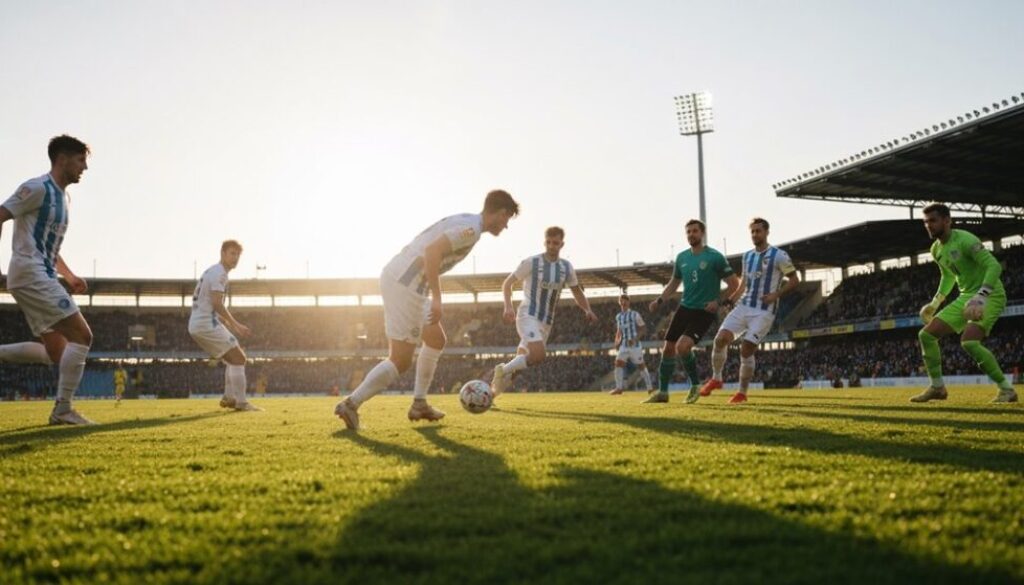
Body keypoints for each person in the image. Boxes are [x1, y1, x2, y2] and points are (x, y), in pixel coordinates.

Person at [335, 190, 520, 430]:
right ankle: (351, 403)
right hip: (407, 284)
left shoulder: (468, 220)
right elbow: (431, 252)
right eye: (507, 219)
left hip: (406, 280)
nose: (505, 226)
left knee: (435, 339)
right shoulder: (472, 230)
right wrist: (437, 299)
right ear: (501, 212)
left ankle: (419, 404)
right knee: (400, 360)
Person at [0, 135, 96, 425]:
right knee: (83, 336)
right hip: (30, 272)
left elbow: (48, 245)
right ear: (63, 159)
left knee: (59, 353)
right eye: (81, 160)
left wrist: (69, 275)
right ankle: (63, 410)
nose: (85, 168)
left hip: (39, 271)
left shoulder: (64, 198)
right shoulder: (37, 188)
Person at [912, 203, 1017, 404]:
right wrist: (936, 302)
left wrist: (981, 296)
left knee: (969, 342)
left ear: (947, 220)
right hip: (965, 296)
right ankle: (937, 387)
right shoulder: (936, 249)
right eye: (926, 222)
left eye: (933, 220)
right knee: (926, 335)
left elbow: (993, 266)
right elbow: (948, 276)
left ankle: (1007, 389)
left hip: (991, 294)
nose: (929, 225)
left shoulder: (966, 240)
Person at [700, 217, 799, 404]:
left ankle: (742, 393)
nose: (755, 234)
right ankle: (716, 378)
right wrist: (730, 300)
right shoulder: (747, 256)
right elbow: (744, 284)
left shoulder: (779, 255)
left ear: (767, 232)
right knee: (720, 339)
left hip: (764, 311)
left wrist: (775, 295)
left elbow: (794, 281)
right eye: (752, 231)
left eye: (758, 231)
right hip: (744, 306)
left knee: (746, 350)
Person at [491, 227, 597, 395]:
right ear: (544, 242)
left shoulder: (566, 267)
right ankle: (501, 370)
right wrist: (508, 306)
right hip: (528, 315)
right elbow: (507, 283)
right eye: (548, 242)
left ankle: (492, 394)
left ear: (562, 244)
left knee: (523, 363)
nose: (551, 246)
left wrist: (587, 310)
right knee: (539, 355)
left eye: (555, 243)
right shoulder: (532, 262)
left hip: (546, 321)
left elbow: (577, 291)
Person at [646, 219, 739, 404]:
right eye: (688, 232)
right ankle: (663, 393)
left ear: (702, 233)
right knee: (668, 348)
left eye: (695, 231)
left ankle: (695, 386)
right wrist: (659, 300)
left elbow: (734, 283)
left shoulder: (715, 257)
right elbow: (674, 282)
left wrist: (718, 302)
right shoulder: (682, 258)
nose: (691, 234)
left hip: (704, 311)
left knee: (682, 347)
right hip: (684, 307)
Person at [189, 240, 262, 411]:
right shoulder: (220, 274)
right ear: (222, 253)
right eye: (232, 253)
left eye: (237, 255)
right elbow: (216, 303)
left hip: (199, 323)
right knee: (239, 358)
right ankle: (242, 403)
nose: (235, 258)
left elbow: (207, 301)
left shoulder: (212, 271)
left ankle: (229, 398)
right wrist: (235, 325)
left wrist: (222, 321)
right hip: (205, 323)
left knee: (232, 358)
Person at [608, 294, 652, 394]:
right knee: (618, 363)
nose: (623, 303)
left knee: (641, 365)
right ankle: (619, 388)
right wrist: (617, 342)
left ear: (628, 302)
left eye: (625, 301)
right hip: (623, 345)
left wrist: (635, 339)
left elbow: (643, 328)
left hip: (635, 345)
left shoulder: (635, 314)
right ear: (619, 303)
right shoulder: (618, 316)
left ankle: (649, 387)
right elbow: (619, 331)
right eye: (621, 301)